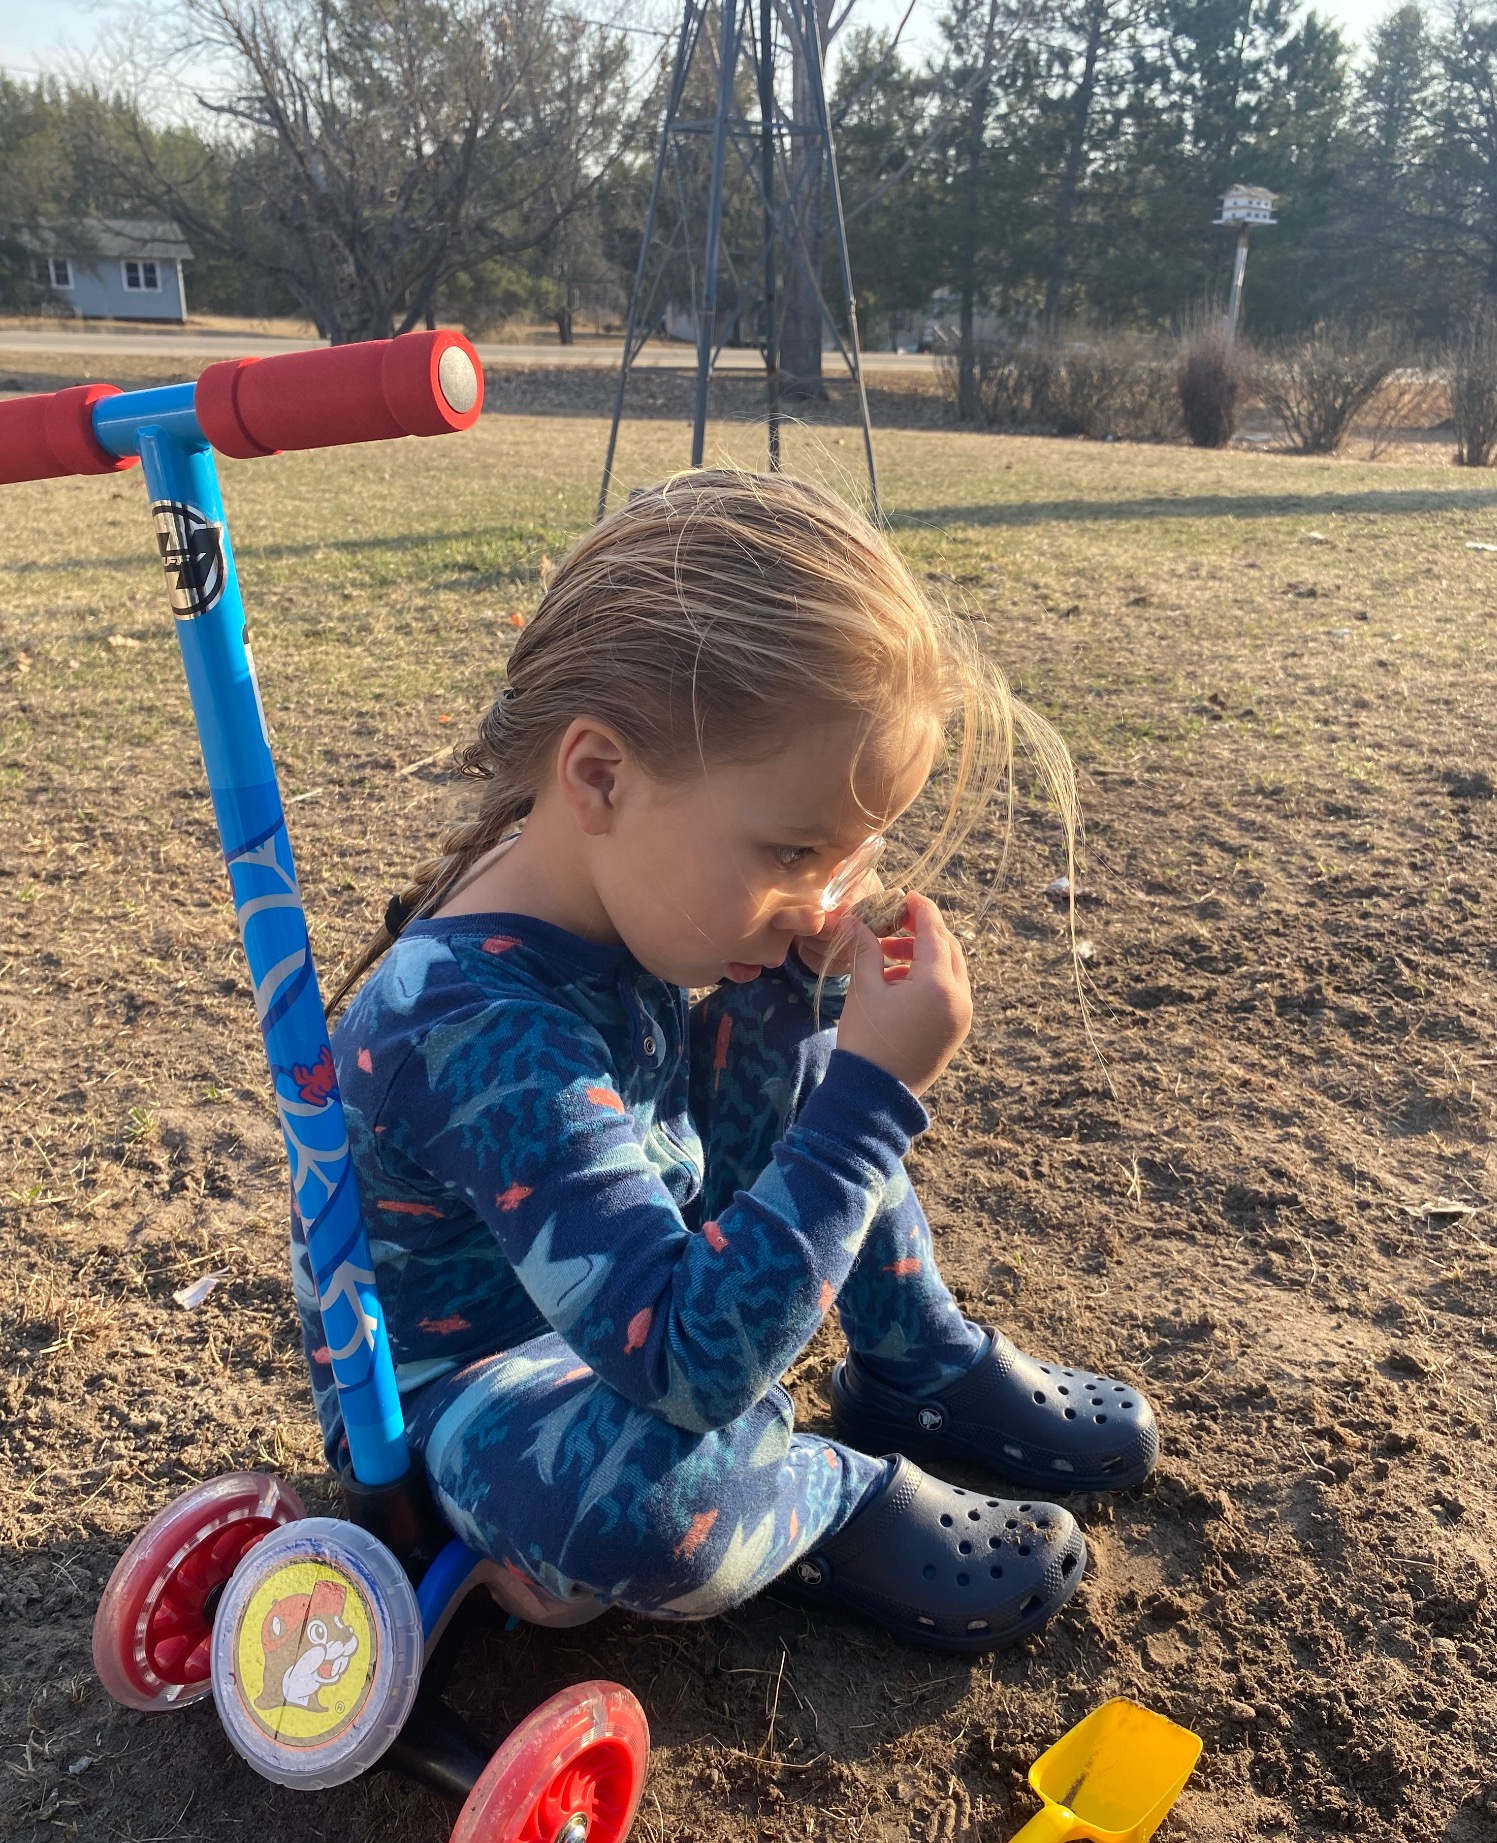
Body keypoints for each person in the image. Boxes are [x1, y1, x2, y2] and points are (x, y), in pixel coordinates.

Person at [298, 470, 1158, 1655]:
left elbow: (686, 1175)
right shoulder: (476, 1026)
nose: (827, 897)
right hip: (481, 1390)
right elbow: (684, 1363)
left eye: (851, 857)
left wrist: (806, 996)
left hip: (634, 1297)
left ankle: (917, 1362)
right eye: (795, 850)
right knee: (639, 1507)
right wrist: (872, 1099)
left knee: (799, 1039)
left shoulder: (602, 884)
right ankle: (834, 1497)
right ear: (600, 776)